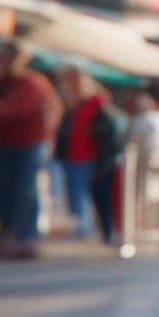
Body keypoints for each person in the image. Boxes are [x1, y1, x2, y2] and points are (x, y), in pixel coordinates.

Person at [0, 41, 63, 259]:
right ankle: (8, 236)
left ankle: (24, 237)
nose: (0, 63)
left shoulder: (30, 83)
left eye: (4, 58)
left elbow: (16, 110)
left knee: (22, 192)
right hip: (3, 146)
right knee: (2, 192)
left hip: (26, 146)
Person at [56, 68, 120, 243]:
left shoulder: (97, 105)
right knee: (75, 194)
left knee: (94, 196)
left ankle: (95, 229)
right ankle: (83, 227)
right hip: (73, 157)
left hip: (91, 158)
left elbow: (108, 134)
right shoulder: (71, 107)